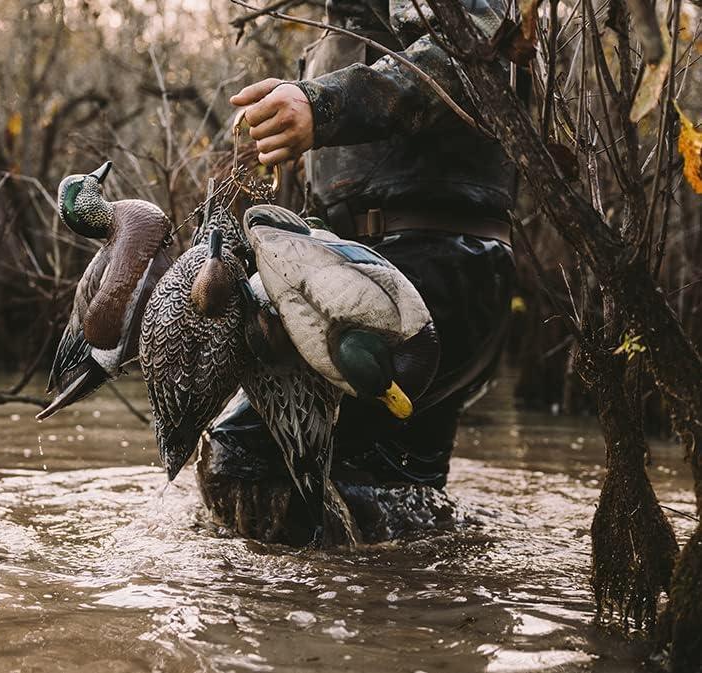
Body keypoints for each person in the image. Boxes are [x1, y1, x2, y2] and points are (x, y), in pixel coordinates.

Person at [196, 0, 518, 544]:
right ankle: (410, 617)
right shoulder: (337, 29)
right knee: (398, 486)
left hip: (426, 271)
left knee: (242, 451)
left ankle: (283, 619)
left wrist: (321, 106)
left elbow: (466, 55)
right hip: (400, 275)